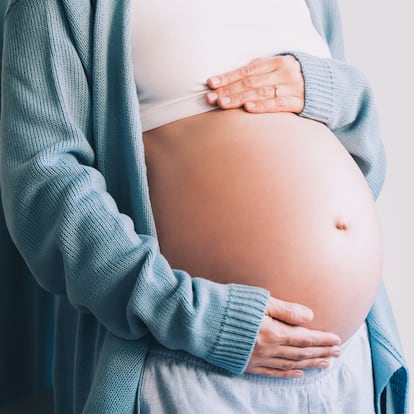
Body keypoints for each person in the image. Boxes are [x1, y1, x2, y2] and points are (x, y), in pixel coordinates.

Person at [0, 0, 408, 413]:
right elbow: (45, 185)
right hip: (190, 360)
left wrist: (331, 89)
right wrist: (194, 318)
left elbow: (361, 151)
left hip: (342, 367)